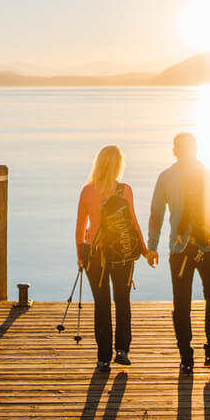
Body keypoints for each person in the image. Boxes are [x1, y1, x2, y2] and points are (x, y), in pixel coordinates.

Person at [147, 133, 210, 374]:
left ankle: (186, 357)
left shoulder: (166, 177)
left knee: (181, 303)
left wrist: (152, 246)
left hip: (180, 250)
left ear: (174, 151)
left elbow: (156, 214)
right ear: (196, 149)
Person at [75, 145, 155, 372]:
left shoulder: (87, 191)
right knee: (122, 300)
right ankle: (122, 350)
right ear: (119, 165)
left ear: (98, 164)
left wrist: (81, 257)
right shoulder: (125, 190)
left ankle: (102, 358)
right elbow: (133, 222)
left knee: (101, 305)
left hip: (95, 254)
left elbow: (81, 228)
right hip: (122, 254)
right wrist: (145, 250)